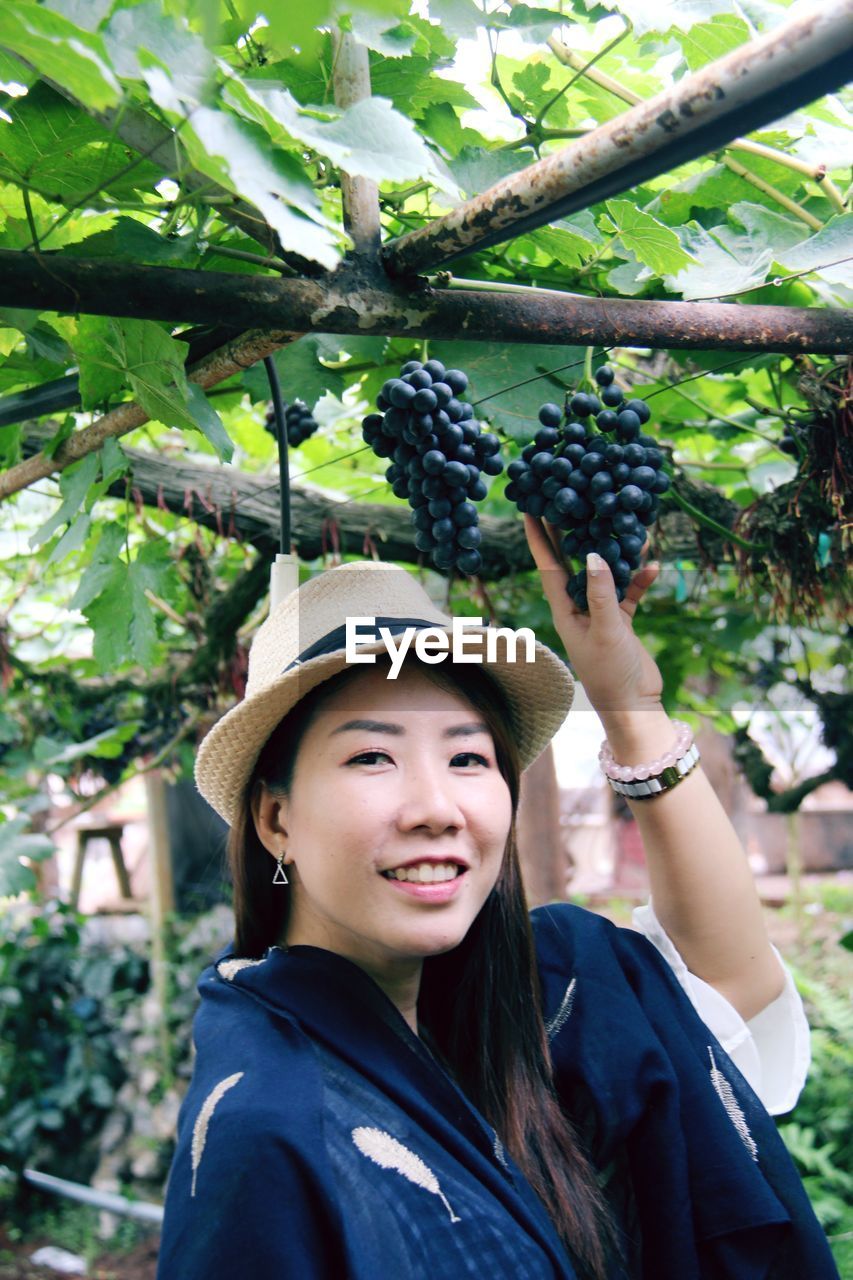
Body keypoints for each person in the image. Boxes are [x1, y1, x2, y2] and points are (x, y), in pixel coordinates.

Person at [156, 523, 839, 1280]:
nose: (436, 807)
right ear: (275, 819)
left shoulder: (527, 1006)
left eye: (467, 757)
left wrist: (627, 703)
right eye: (372, 755)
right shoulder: (267, 1127)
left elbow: (732, 987)